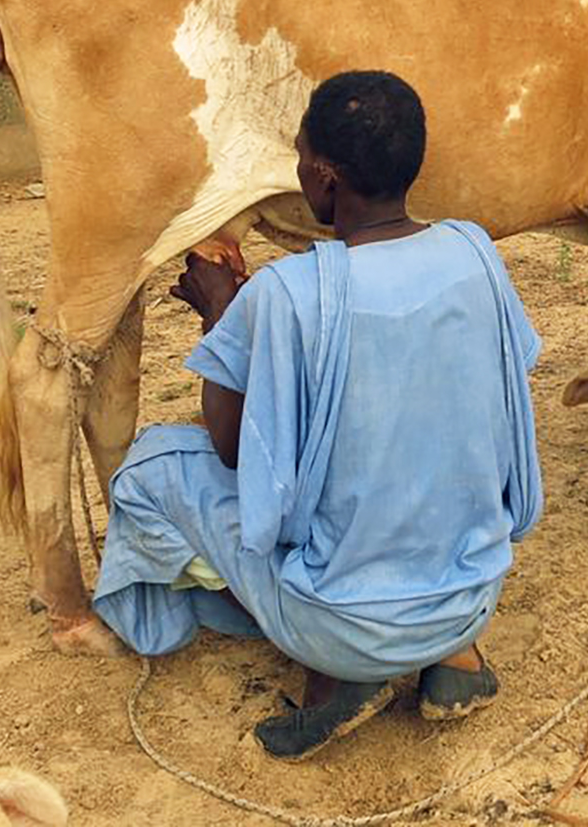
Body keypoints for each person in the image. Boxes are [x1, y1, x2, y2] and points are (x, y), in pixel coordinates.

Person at [93, 71, 543, 761]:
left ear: (327, 178)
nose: (298, 171)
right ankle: (455, 663)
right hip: (472, 594)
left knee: (152, 467)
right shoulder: (475, 253)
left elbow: (232, 448)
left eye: (302, 158)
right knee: (412, 452)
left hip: (343, 625)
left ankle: (337, 679)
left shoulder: (287, 293)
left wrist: (221, 314)